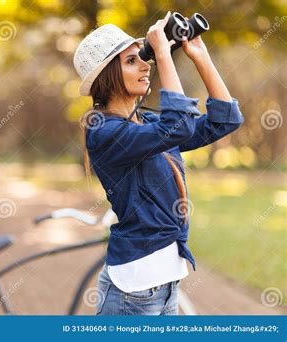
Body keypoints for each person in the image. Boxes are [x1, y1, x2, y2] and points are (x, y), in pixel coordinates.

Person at [72, 11, 244, 315]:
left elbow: (225, 120)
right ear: (106, 76)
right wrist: (163, 55)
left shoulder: (146, 122)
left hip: (166, 285)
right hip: (134, 291)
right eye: (131, 61)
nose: (145, 64)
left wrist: (200, 56)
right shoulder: (104, 132)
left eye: (145, 56)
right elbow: (176, 125)